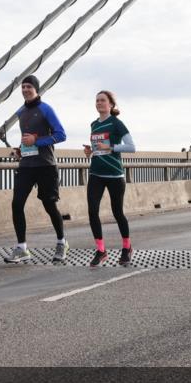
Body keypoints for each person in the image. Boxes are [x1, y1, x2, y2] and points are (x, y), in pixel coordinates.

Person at [3, 76, 68, 264]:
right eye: (23, 87)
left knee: (49, 205)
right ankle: (22, 248)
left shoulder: (46, 109)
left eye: (29, 86)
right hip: (26, 166)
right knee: (16, 204)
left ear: (36, 89)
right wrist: (21, 149)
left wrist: (36, 142)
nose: (25, 89)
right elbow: (27, 138)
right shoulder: (20, 112)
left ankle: (61, 242)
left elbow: (61, 135)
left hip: (45, 165)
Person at [84, 90, 136, 267]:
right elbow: (98, 148)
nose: (99, 103)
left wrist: (110, 146)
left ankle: (126, 248)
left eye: (102, 100)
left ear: (111, 105)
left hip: (115, 174)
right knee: (92, 211)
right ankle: (101, 250)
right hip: (96, 173)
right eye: (97, 100)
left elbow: (131, 147)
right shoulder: (93, 124)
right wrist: (90, 151)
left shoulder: (116, 123)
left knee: (118, 212)